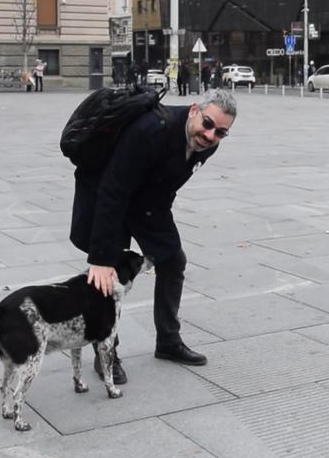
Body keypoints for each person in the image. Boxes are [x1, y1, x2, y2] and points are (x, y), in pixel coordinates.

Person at [71, 88, 238, 382]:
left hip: (148, 200)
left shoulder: (208, 144)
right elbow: (114, 190)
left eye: (221, 133)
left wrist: (160, 228)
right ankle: (106, 352)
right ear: (194, 110)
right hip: (105, 194)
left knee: (173, 261)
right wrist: (101, 257)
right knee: (106, 277)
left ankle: (169, 342)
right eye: (208, 124)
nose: (211, 135)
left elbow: (170, 179)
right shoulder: (150, 131)